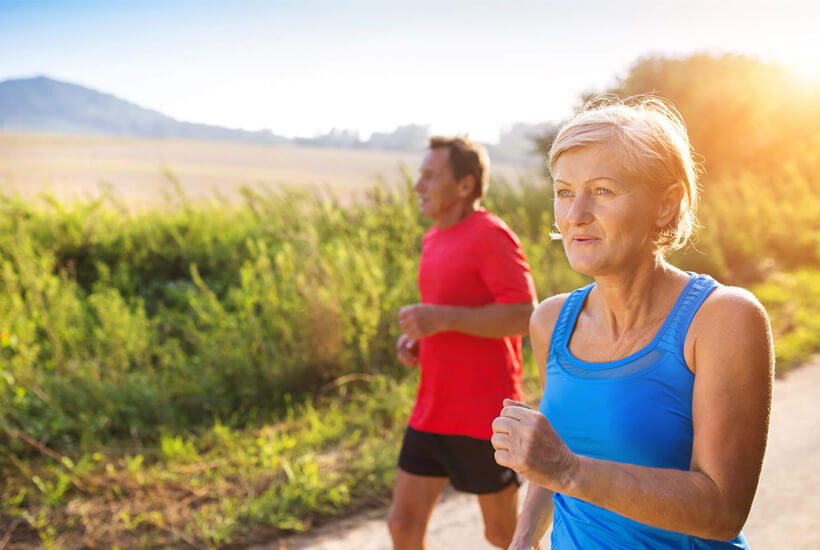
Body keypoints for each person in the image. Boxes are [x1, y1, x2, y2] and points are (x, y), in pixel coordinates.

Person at [491, 97, 774, 549]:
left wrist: (569, 469)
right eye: (564, 192)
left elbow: (723, 510)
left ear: (667, 205)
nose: (576, 214)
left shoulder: (723, 320)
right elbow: (553, 457)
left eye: (602, 190)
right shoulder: (551, 321)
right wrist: (524, 537)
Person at [387, 136, 538, 549]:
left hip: (483, 414)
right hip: (432, 409)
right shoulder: (434, 238)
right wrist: (418, 338)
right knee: (403, 524)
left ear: (465, 185)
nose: (418, 185)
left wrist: (442, 318)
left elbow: (526, 314)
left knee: (505, 536)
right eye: (420, 176)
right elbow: (448, 317)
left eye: (430, 176)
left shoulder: (491, 235)